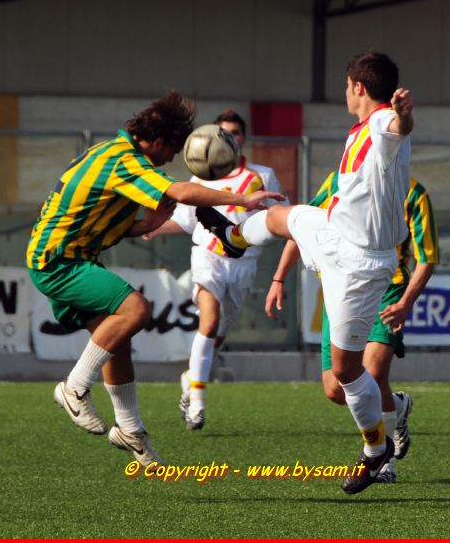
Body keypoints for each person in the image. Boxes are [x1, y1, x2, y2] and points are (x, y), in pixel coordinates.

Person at [26, 91, 283, 468]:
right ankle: (74, 387)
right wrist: (242, 201)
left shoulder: (112, 153)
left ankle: (130, 429)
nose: (170, 160)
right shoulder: (124, 160)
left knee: (117, 339)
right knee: (136, 310)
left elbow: (101, 222)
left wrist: (147, 225)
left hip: (68, 256)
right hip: (58, 261)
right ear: (159, 141)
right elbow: (179, 191)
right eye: (172, 152)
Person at [195, 52, 414, 494]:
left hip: (361, 264)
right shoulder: (360, 129)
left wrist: (403, 114)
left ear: (358, 87)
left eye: (346, 85)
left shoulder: (381, 121)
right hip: (336, 234)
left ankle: (376, 448)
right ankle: (234, 236)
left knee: (345, 371)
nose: (345, 91)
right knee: (287, 215)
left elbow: (398, 127)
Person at [265, 173, 439, 483]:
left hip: (386, 289)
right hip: (340, 290)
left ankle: (383, 462)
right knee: (336, 389)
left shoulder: (414, 194)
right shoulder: (339, 180)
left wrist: (405, 303)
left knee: (372, 373)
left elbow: (427, 257)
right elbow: (300, 226)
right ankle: (397, 406)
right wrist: (278, 278)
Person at [143, 109, 289, 430]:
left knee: (217, 336)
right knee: (207, 323)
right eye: (222, 133)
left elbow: (282, 217)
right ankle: (197, 404)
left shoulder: (263, 175)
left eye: (234, 133)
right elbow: (186, 221)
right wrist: (151, 227)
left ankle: (190, 378)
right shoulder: (201, 176)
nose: (228, 139)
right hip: (208, 256)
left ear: (242, 139)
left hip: (244, 264)